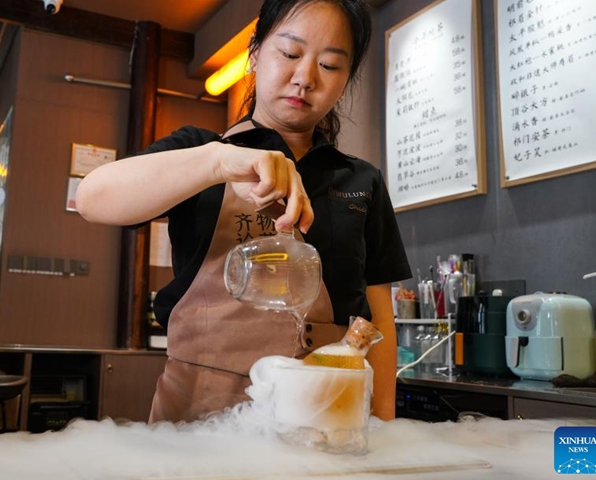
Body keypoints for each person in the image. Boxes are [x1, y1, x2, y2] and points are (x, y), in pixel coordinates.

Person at [76, 0, 411, 423]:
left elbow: (379, 319)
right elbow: (92, 198)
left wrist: (383, 424)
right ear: (254, 54)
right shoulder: (200, 151)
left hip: (327, 416)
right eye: (289, 53)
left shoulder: (361, 180)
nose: (305, 78)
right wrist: (217, 162)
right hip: (201, 417)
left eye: (329, 65)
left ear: (346, 80)